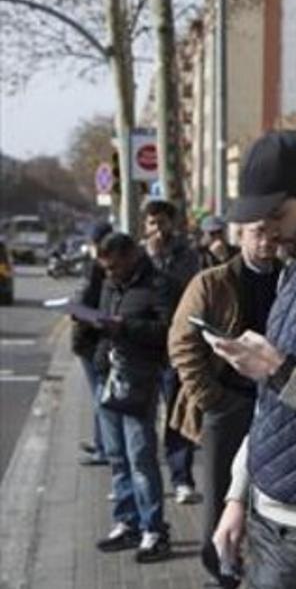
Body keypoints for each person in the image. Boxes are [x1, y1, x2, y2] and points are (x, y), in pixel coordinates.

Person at [207, 130, 296, 588]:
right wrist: (237, 497)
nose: (269, 231)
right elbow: (270, 405)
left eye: (277, 215)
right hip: (267, 513)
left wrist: (280, 371)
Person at [167, 219, 281, 583]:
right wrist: (211, 399)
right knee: (220, 496)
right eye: (257, 233)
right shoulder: (212, 282)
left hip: (278, 401)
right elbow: (182, 342)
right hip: (229, 404)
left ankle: (258, 570)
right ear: (240, 235)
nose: (266, 243)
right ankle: (220, 573)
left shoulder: (291, 277)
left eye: (272, 235)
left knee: (271, 497)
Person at [90, 232, 174, 562]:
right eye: (105, 268)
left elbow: (168, 332)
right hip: (108, 375)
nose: (109, 274)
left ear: (131, 256)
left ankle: (154, 529)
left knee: (140, 456)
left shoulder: (159, 284)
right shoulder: (111, 284)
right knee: (116, 455)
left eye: (113, 267)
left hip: (140, 378)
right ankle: (128, 522)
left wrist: (125, 327)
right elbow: (102, 321)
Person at [142, 199, 203, 504]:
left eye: (162, 222)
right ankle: (140, 482)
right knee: (140, 418)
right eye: (152, 223)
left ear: (172, 224)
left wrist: (159, 262)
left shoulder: (186, 256)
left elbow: (188, 289)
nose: (157, 229)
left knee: (176, 414)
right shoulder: (138, 255)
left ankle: (182, 478)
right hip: (142, 346)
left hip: (173, 347)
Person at [71, 220, 113, 466]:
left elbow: (98, 306)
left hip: (94, 340)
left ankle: (105, 447)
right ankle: (101, 443)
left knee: (100, 396)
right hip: (87, 340)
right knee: (98, 395)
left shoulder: (103, 270)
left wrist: (78, 311)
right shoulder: (94, 267)